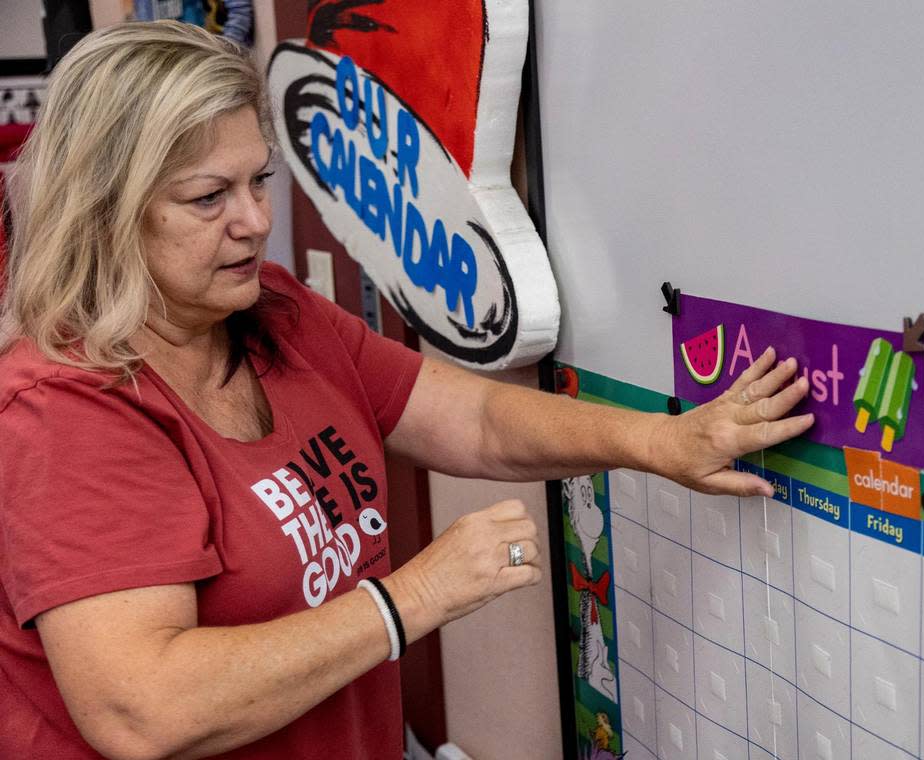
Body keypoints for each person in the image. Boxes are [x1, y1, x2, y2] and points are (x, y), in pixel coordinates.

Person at [0, 21, 814, 760]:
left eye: (258, 181)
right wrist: (410, 599)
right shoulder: (62, 409)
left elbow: (476, 419)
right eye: (209, 198)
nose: (253, 219)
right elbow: (143, 710)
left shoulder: (277, 312)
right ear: (103, 212)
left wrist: (660, 442)